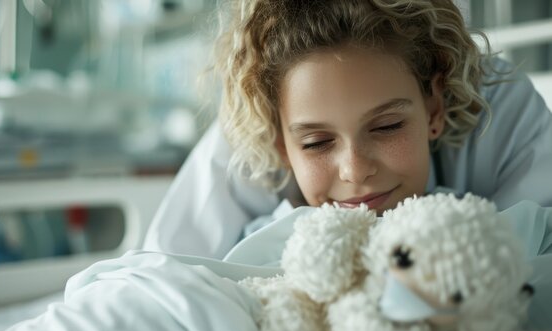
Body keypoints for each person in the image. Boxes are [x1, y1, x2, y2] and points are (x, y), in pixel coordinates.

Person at [143, 0, 552, 259]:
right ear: (280, 143)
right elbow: (152, 282)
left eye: (388, 126)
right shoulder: (247, 136)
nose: (355, 171)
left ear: (434, 107)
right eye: (317, 142)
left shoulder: (503, 110)